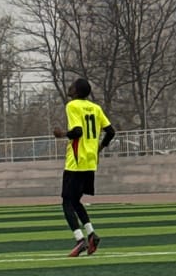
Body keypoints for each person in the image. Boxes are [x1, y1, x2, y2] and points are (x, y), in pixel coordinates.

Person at [53, 77, 116, 257]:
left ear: (77, 91)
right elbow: (111, 132)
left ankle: (80, 240)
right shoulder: (96, 108)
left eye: (72, 85)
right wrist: (99, 149)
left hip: (76, 160)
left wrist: (61, 134)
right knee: (75, 201)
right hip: (90, 162)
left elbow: (77, 132)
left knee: (66, 201)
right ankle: (91, 234)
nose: (70, 87)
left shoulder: (72, 105)